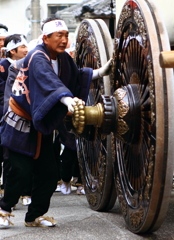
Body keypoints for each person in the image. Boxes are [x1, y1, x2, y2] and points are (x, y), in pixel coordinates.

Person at [0, 16, 112, 228]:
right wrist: (67, 99)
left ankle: (34, 216)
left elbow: (76, 76)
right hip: (21, 122)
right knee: (19, 171)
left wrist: (101, 72)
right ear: (46, 37)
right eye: (58, 36)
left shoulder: (62, 58)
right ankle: (4, 210)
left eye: (66, 36)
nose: (64, 40)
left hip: (42, 123)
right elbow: (49, 82)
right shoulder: (37, 56)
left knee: (49, 173)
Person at [0, 34, 28, 202]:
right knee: (6, 157)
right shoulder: (3, 66)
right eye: (22, 47)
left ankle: (23, 192)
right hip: (5, 115)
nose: (26, 50)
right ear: (12, 51)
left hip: (21, 115)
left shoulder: (28, 65)